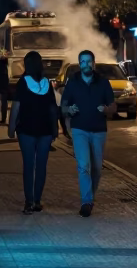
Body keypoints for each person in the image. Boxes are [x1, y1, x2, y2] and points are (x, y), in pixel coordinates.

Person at [60, 49, 116, 217]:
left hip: (99, 131)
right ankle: (86, 201)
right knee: (83, 166)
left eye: (88, 61)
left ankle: (89, 196)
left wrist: (106, 109)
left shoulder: (103, 83)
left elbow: (113, 107)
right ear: (80, 64)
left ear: (94, 63)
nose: (86, 64)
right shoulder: (72, 83)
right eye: (82, 61)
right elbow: (63, 108)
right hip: (79, 130)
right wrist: (69, 109)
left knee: (97, 168)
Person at [8, 50, 58, 214]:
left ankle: (28, 201)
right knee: (41, 166)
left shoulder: (23, 83)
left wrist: (11, 127)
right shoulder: (47, 83)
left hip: (26, 131)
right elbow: (52, 109)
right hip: (45, 131)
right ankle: (37, 200)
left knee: (28, 165)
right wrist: (55, 129)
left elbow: (16, 107)